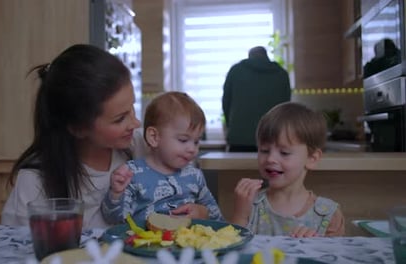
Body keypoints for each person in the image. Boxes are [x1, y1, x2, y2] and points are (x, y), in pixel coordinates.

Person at [1, 44, 146, 229]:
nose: (136, 123)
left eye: (132, 108)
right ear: (79, 128)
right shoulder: (36, 180)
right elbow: (18, 243)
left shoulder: (142, 146)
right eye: (120, 119)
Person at [101, 91, 223, 224]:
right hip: (147, 242)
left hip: (189, 241)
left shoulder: (195, 175)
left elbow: (217, 218)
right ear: (154, 137)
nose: (192, 149)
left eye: (196, 141)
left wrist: (203, 213)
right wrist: (116, 194)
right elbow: (114, 220)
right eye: (183, 140)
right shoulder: (132, 173)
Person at [231, 102, 345, 237]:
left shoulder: (328, 214)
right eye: (264, 150)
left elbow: (335, 256)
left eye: (284, 152)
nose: (270, 159)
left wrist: (316, 247)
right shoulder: (250, 205)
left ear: (312, 158)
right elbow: (233, 248)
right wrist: (240, 214)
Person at [222, 46, 291, 152]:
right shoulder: (281, 74)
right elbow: (286, 108)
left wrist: (231, 125)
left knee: (237, 167)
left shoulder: (236, 71)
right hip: (272, 138)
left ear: (250, 56)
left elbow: (226, 102)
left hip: (240, 138)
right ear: (266, 56)